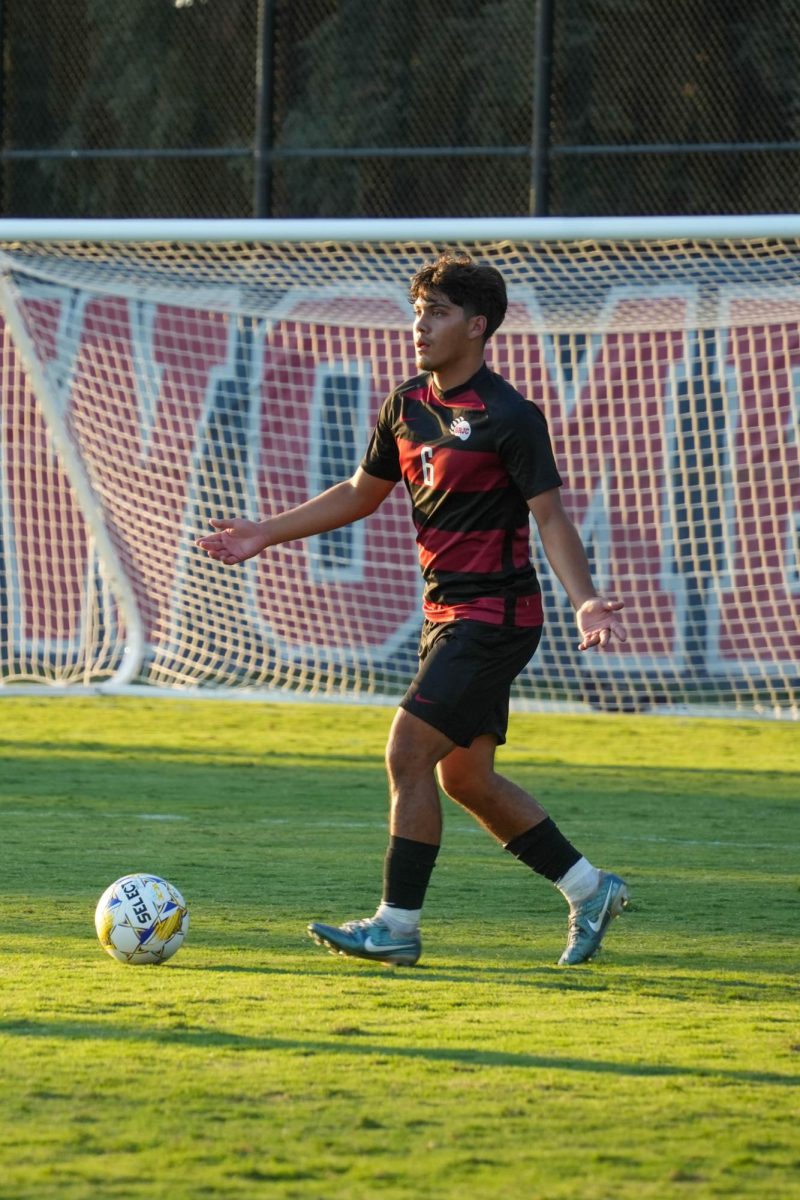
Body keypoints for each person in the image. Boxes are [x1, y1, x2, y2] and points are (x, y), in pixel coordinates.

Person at [196, 251, 629, 968]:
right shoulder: (406, 404)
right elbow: (361, 494)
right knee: (465, 779)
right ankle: (591, 889)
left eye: (437, 312)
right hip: (445, 617)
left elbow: (549, 517)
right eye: (417, 308)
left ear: (477, 326)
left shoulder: (510, 416)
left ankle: (396, 928)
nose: (419, 323)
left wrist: (585, 601)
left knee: (405, 751)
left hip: (495, 616)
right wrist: (266, 532)